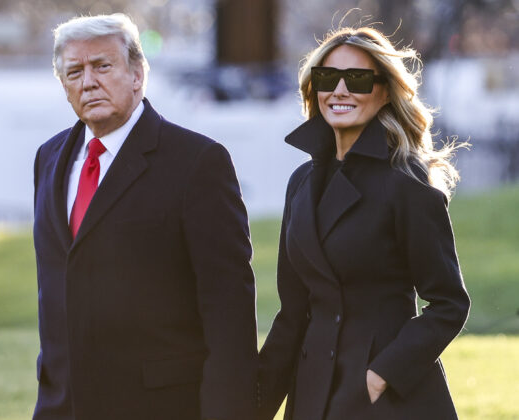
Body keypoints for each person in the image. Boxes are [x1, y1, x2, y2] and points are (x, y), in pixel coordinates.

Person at [32, 13, 258, 420]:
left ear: (137, 74)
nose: (88, 81)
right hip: (61, 406)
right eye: (74, 72)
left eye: (103, 66)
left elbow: (230, 314)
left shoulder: (198, 163)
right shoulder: (48, 159)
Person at [258, 26, 471, 420]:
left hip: (385, 400)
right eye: (327, 77)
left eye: (356, 78)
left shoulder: (406, 182)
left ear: (385, 91)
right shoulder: (300, 184)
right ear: (313, 88)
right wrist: (254, 405)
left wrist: (382, 374)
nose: (339, 90)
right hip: (312, 395)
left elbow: (449, 303)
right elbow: (293, 313)